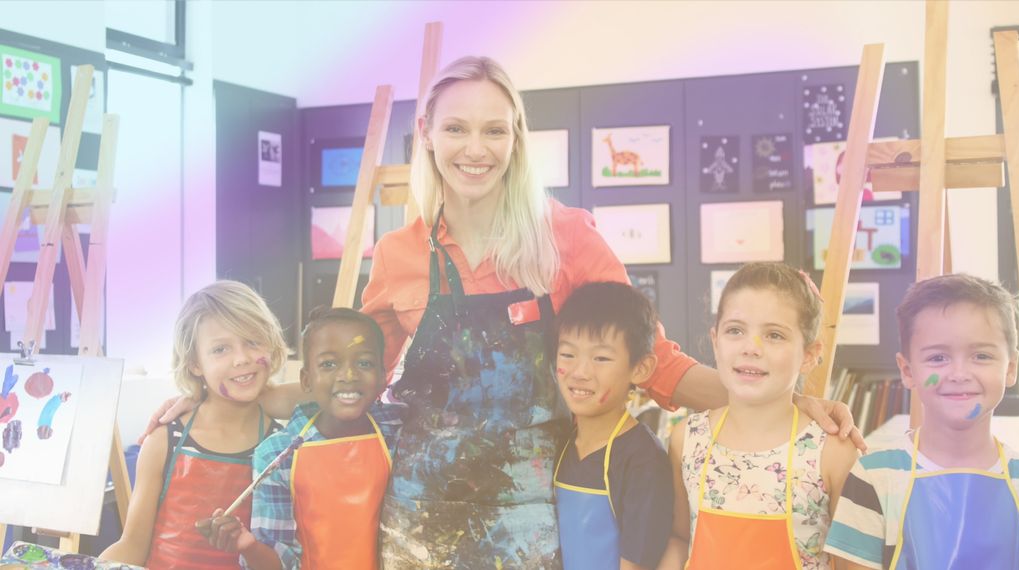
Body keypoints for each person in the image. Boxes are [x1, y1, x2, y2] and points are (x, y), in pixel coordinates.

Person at [148, 56, 861, 569]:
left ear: (517, 136)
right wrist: (214, 396)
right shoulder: (399, 254)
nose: (475, 149)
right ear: (427, 132)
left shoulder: (567, 238)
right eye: (457, 129)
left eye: (495, 130)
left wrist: (786, 403)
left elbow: (654, 364)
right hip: (418, 515)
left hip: (533, 510)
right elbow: (349, 380)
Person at [824, 274, 1019, 570]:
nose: (959, 374)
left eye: (981, 355)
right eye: (938, 358)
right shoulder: (873, 478)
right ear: (908, 371)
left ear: (1010, 368)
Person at [663, 263, 859, 569]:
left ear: (809, 355)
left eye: (774, 335)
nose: (751, 348)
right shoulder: (686, 440)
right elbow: (679, 538)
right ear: (716, 341)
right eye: (735, 331)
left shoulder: (833, 452)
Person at [102, 281, 286, 568]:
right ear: (194, 363)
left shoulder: (284, 449)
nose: (241, 359)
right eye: (220, 349)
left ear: (271, 346)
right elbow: (132, 545)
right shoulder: (163, 440)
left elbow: (285, 560)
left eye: (253, 341)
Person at [205, 308, 403, 570]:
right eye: (328, 364)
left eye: (364, 363)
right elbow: (279, 562)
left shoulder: (402, 431)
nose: (348, 375)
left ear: (382, 376)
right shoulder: (277, 454)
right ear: (306, 380)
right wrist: (248, 546)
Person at [552, 282, 674, 570]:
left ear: (640, 368)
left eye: (601, 358)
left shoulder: (643, 460)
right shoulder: (558, 442)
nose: (580, 372)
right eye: (568, 354)